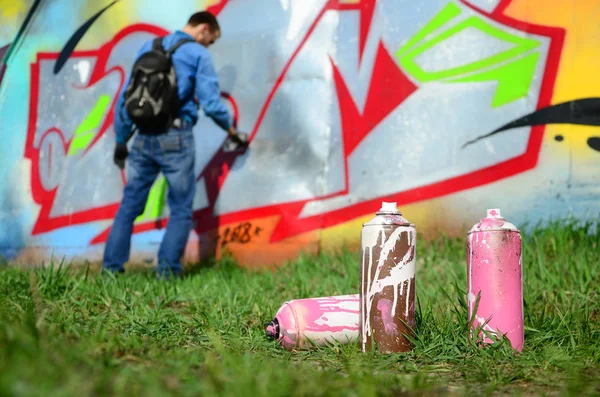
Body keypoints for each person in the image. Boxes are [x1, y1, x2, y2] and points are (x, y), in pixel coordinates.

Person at [102, 11, 242, 279]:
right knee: (180, 207)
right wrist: (231, 129)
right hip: (176, 138)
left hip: (142, 137)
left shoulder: (150, 46)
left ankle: (110, 271)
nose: (208, 45)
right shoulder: (198, 55)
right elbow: (211, 104)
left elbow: (127, 97)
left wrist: (121, 139)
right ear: (203, 29)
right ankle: (166, 273)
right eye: (210, 40)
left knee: (130, 205)